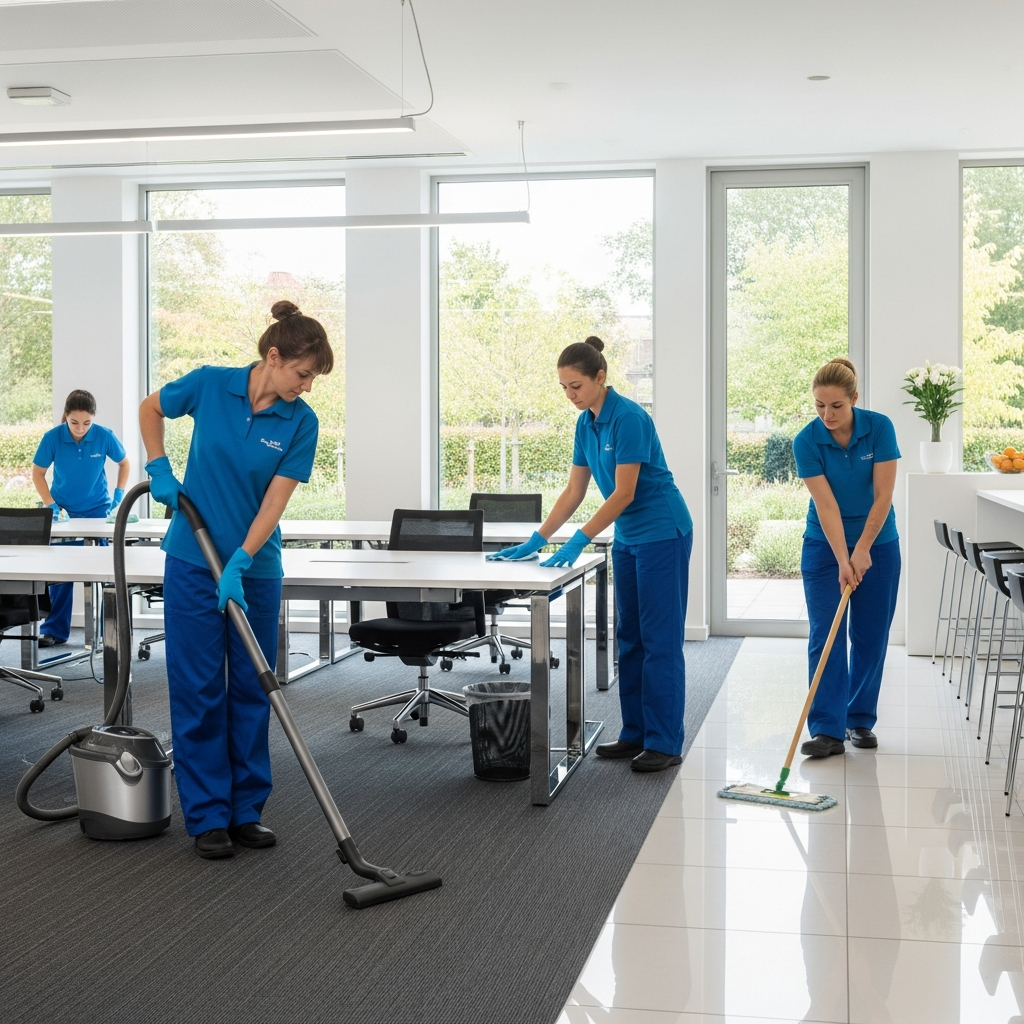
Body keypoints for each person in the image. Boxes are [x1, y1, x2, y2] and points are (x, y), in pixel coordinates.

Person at [139, 300, 332, 859]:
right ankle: (206, 816)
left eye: (313, 379)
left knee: (251, 688)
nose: (307, 387)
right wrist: (158, 467)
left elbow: (275, 502)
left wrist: (244, 559)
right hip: (192, 561)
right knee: (199, 687)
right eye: (302, 374)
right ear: (274, 357)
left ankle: (246, 809)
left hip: (253, 568)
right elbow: (151, 409)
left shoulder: (301, 421)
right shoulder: (209, 385)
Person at [489, 336, 693, 772]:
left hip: (662, 532)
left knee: (660, 641)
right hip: (629, 538)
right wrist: (538, 538)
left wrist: (579, 539)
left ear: (601, 378)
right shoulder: (586, 423)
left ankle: (665, 741)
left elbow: (624, 492)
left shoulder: (630, 418)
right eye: (563, 387)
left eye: (576, 386)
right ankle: (635, 732)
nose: (570, 395)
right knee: (630, 639)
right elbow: (574, 491)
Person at [793, 356, 901, 758]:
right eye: (820, 405)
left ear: (855, 399)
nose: (827, 414)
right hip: (825, 547)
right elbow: (826, 506)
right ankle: (826, 729)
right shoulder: (806, 441)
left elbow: (883, 497)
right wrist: (843, 558)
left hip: (879, 544)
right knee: (827, 635)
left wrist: (862, 551)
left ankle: (859, 719)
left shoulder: (879, 429)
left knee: (871, 635)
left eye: (836, 406)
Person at [31, 389, 130, 648]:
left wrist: (119, 496)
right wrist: (50, 504)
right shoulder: (52, 438)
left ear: (93, 418)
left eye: (86, 422)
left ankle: (107, 632)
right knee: (61, 574)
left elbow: (125, 463)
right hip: (63, 512)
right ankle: (55, 630)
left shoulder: (104, 436)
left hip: (97, 510)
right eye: (74, 422)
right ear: (66, 416)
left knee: (104, 571)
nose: (80, 428)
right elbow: (38, 473)